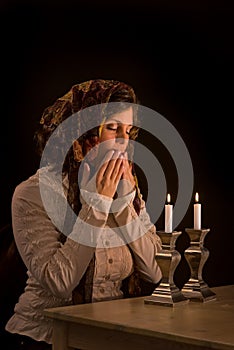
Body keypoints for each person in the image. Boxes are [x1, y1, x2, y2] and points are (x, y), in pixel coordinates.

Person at [5, 79, 162, 349]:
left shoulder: (127, 188)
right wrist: (98, 204)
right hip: (44, 339)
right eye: (113, 128)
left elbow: (156, 272)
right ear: (83, 132)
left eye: (129, 129)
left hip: (105, 338)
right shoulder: (34, 193)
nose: (125, 140)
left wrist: (123, 206)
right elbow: (60, 282)